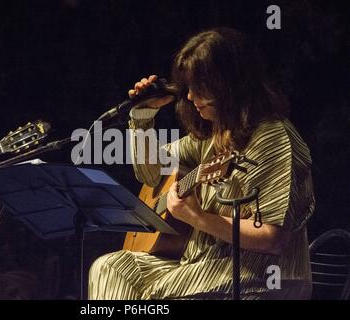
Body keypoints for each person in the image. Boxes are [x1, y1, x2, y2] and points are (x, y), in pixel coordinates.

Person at [88, 27, 315, 300]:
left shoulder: (274, 139)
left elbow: (272, 238)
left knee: (155, 295)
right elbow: (151, 174)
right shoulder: (217, 135)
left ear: (230, 84)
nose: (191, 97)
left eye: (200, 87)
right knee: (111, 268)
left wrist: (197, 218)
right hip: (202, 267)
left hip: (264, 278)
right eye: (189, 88)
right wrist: (142, 118)